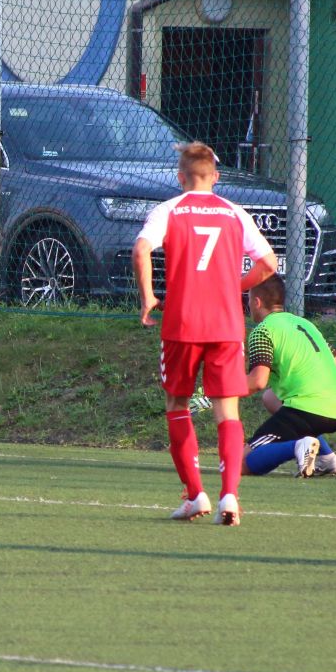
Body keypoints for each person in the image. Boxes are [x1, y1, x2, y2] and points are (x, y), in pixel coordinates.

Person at [132, 141, 277, 526]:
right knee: (227, 410)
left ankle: (196, 494)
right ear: (216, 177)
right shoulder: (234, 212)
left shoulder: (169, 210)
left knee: (177, 404)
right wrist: (233, 287)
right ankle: (230, 495)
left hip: (182, 322)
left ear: (180, 177)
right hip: (226, 324)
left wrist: (148, 297)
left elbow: (141, 250)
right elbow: (268, 263)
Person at [242, 274, 336, 476]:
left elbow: (257, 381)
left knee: (237, 464)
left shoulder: (262, 331)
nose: (248, 305)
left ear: (257, 302)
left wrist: (220, 390)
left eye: (249, 299)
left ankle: (297, 446)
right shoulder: (305, 325)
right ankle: (327, 458)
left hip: (308, 409)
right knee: (270, 398)